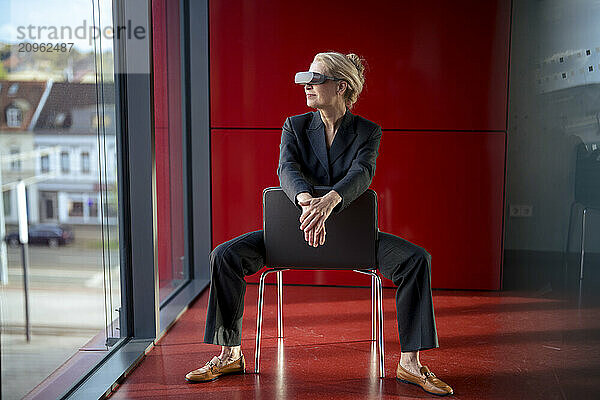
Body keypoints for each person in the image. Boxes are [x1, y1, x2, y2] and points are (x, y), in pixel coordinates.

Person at [185, 51, 453, 396]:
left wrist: (331, 201)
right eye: (307, 78)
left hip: (351, 237)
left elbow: (363, 173)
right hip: (294, 231)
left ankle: (411, 364)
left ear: (341, 87)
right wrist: (307, 201)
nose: (307, 86)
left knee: (416, 260)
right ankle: (229, 354)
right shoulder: (294, 126)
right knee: (224, 254)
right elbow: (287, 170)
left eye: (316, 79)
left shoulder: (367, 132)